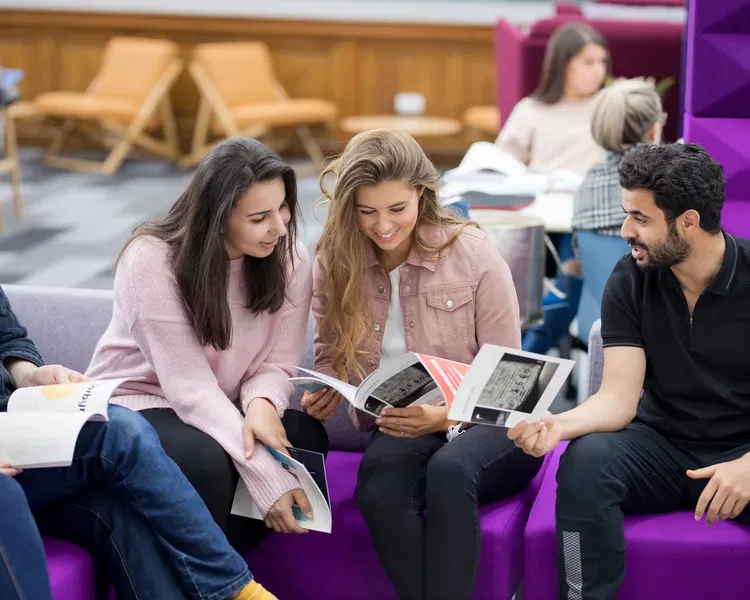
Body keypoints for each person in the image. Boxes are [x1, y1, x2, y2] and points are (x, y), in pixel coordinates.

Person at [303, 129, 543, 600]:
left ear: (422, 192)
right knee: (378, 489)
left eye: (397, 209)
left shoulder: (471, 251)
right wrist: (327, 388)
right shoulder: (335, 260)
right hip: (401, 425)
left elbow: (514, 379)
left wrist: (444, 415)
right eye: (366, 211)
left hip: (488, 423)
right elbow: (330, 349)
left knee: (450, 471)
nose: (383, 225)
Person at [508, 143, 750, 600]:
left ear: (689, 222)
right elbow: (618, 399)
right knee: (583, 462)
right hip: (661, 446)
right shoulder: (631, 277)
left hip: (743, 450)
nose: (625, 231)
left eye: (640, 218)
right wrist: (557, 424)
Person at [86, 138, 328, 552]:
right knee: (205, 460)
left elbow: (277, 363)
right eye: (259, 217)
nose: (281, 227)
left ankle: (212, 575)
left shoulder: (292, 259)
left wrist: (261, 406)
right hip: (140, 402)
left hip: (224, 404)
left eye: (283, 207)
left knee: (303, 437)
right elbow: (190, 390)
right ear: (218, 217)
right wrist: (268, 476)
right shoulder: (151, 259)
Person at [0, 287, 278, 600]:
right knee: (121, 432)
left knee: (118, 507)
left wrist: (29, 375)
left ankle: (234, 587)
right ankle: (238, 589)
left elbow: (8, 339)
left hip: (14, 425)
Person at [522, 77, 666, 355]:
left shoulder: (586, 187)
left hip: (599, 324)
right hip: (656, 327)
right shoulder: (665, 188)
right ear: (652, 129)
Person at [496, 22, 610, 178]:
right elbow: (502, 164)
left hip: (595, 197)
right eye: (588, 62)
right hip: (541, 195)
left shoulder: (611, 106)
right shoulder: (530, 109)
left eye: (602, 62)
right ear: (562, 65)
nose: (598, 71)